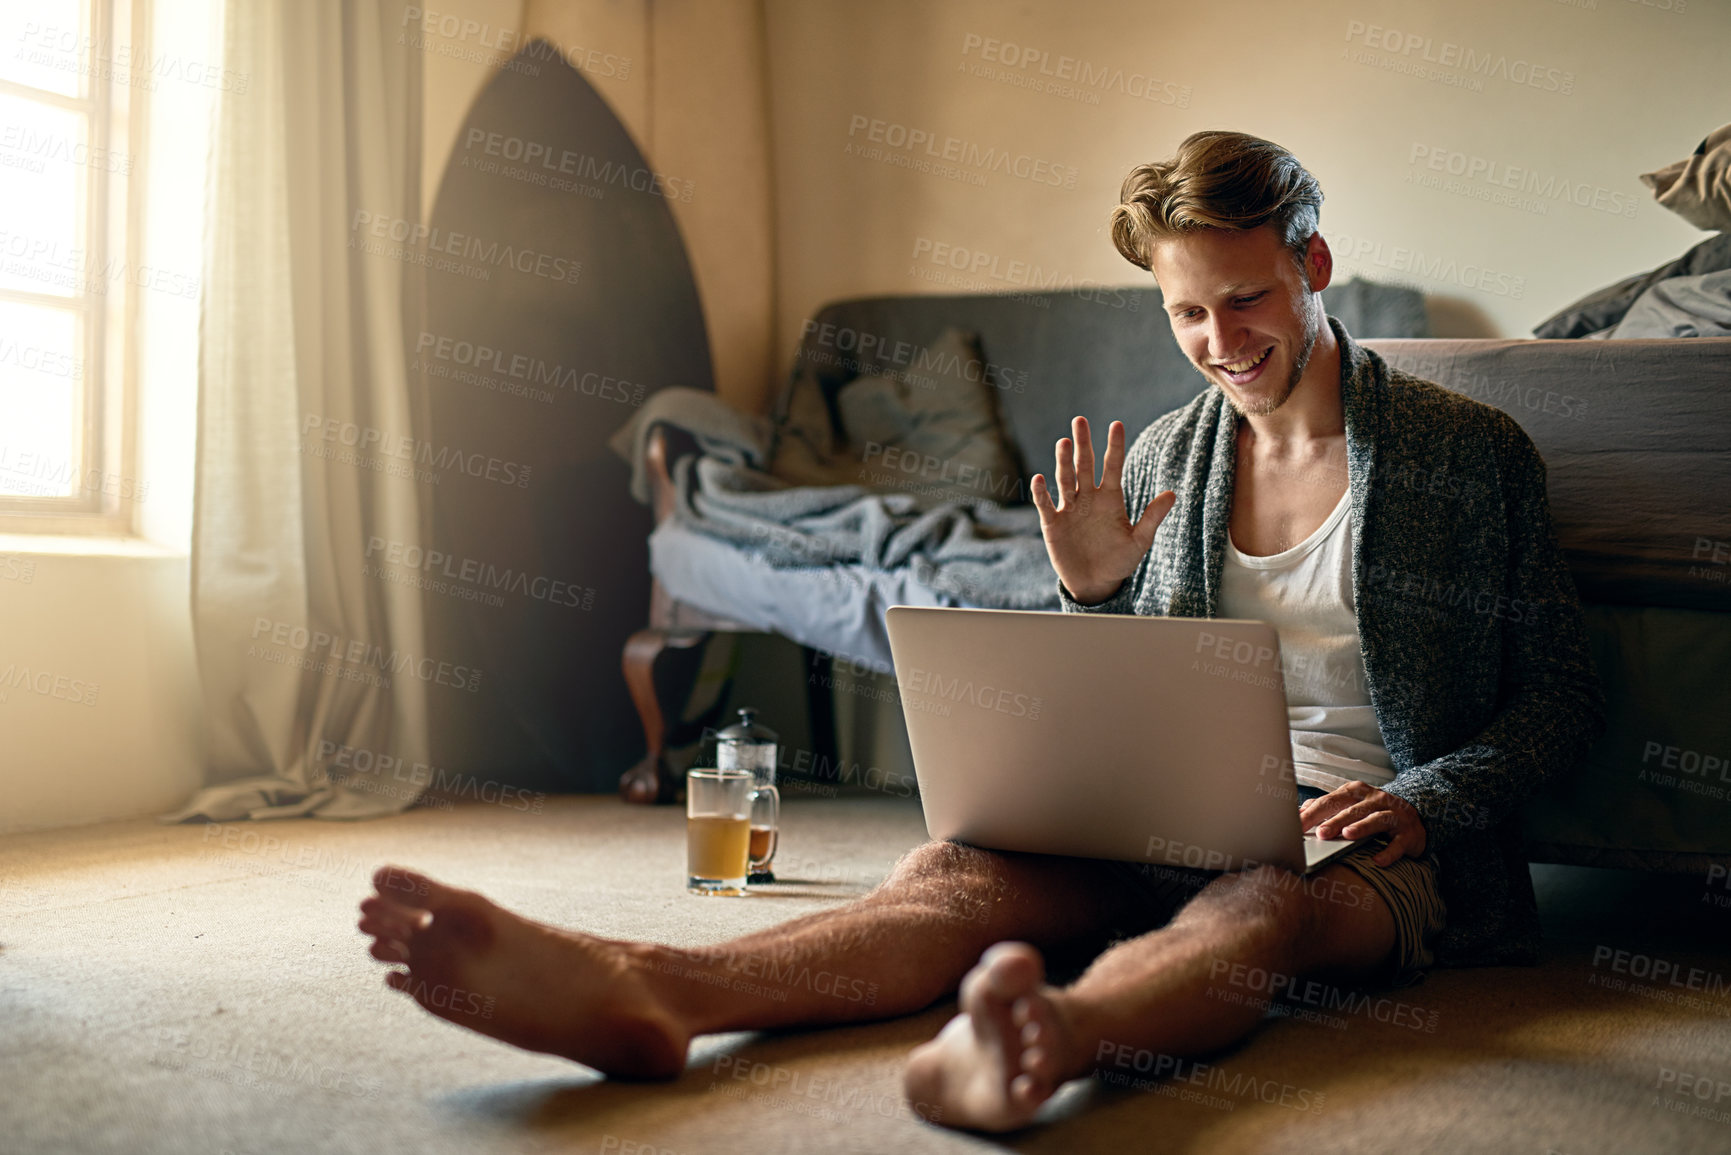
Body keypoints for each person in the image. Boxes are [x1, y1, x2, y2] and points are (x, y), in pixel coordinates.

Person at [357, 130, 1604, 1132]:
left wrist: (1427, 803)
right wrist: (1091, 593)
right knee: (947, 876)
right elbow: (1141, 696)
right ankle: (655, 990)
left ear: (1314, 265)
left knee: (1258, 906)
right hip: (1174, 817)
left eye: (1248, 300)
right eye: (1185, 317)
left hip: (1368, 849)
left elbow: (1560, 695)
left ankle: (1040, 1043)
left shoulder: (1465, 455)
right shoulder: (1171, 455)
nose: (1221, 345)